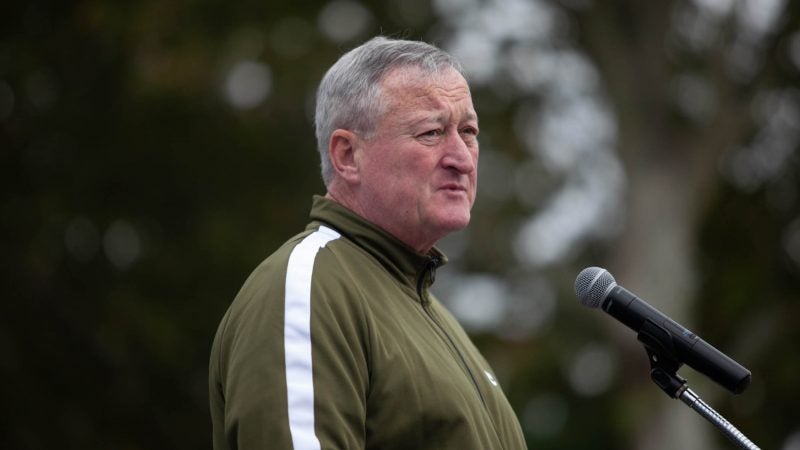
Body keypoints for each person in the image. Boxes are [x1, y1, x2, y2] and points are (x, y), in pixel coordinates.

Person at [209, 36, 528, 450]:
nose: (462, 158)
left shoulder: (434, 314)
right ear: (347, 155)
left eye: (468, 131)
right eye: (432, 132)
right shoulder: (309, 290)